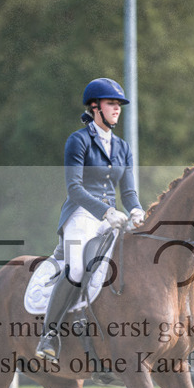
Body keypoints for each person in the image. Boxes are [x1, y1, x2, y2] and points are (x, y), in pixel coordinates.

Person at [36, 78, 145, 361]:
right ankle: (49, 334)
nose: (117, 109)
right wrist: (106, 211)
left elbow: (129, 192)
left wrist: (137, 211)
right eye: (111, 104)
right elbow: (75, 188)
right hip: (81, 215)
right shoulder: (78, 140)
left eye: (119, 104)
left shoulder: (122, 147)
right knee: (76, 268)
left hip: (113, 219)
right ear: (95, 107)